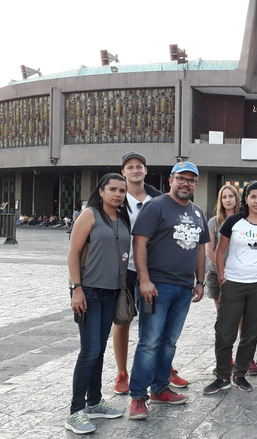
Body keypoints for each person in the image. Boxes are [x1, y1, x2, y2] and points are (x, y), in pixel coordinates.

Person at [128, 162, 209, 420]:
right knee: (149, 341)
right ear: (171, 180)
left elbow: (200, 249)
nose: (186, 183)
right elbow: (139, 243)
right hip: (157, 286)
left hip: (184, 288)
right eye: (181, 178)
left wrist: (200, 281)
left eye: (191, 180)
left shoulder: (198, 212)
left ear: (196, 184)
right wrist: (144, 280)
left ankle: (160, 388)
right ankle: (138, 396)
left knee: (169, 341)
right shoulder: (156, 206)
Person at [112, 152, 187, 395]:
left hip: (154, 269)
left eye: (139, 166)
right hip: (125, 269)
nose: (135, 170)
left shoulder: (160, 198)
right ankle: (122, 372)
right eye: (130, 167)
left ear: (146, 171)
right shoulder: (117, 198)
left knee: (159, 324)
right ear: (123, 172)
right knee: (123, 319)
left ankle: (164, 370)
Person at [65, 173, 130, 434]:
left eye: (122, 190)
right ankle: (75, 411)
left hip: (112, 292)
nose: (118, 194)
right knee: (89, 351)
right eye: (112, 189)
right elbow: (73, 252)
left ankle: (94, 402)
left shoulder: (123, 218)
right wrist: (76, 288)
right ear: (101, 191)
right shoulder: (90, 214)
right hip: (89, 291)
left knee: (99, 350)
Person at [204, 181, 257, 395]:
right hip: (233, 283)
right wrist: (222, 277)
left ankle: (240, 374)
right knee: (224, 332)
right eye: (253, 196)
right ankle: (222, 377)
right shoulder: (233, 221)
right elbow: (220, 251)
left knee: (250, 333)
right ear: (245, 199)